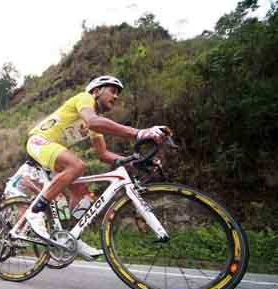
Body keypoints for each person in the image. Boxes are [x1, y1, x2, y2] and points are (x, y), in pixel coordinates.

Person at [19, 75, 168, 252]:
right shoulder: (85, 99)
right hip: (38, 141)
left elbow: (103, 154)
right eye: (112, 91)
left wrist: (135, 162)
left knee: (83, 193)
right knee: (77, 166)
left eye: (118, 94)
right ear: (96, 92)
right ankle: (34, 212)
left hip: (52, 151)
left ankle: (71, 236)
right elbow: (93, 122)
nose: (116, 97)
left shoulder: (93, 121)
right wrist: (138, 133)